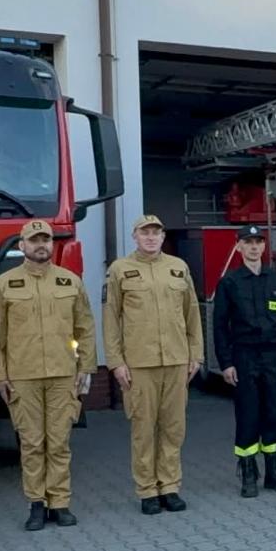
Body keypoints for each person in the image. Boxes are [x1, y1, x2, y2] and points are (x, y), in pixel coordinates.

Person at [0, 219, 96, 531]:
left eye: (45, 240)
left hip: (63, 374)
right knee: (32, 443)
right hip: (23, 376)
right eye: (34, 240)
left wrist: (86, 367)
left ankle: (60, 503)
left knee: (59, 442)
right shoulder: (4, 285)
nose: (41, 245)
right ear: (22, 246)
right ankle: (36, 504)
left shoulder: (69, 282)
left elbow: (84, 329)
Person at [103, 215, 203, 516]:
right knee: (143, 429)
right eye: (144, 233)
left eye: (156, 233)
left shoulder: (178, 267)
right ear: (134, 236)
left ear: (162, 237)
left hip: (175, 360)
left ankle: (170, 486)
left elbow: (192, 314)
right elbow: (111, 319)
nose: (150, 238)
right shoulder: (120, 270)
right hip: (139, 364)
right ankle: (147, 489)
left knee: (174, 428)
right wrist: (116, 362)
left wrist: (195, 354)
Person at [212, 225, 276, 498]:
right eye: (248, 242)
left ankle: (275, 472)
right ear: (238, 247)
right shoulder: (230, 283)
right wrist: (226, 362)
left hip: (273, 355)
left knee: (273, 413)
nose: (254, 247)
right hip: (245, 356)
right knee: (248, 415)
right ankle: (248, 473)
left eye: (258, 242)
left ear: (264, 247)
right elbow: (220, 326)